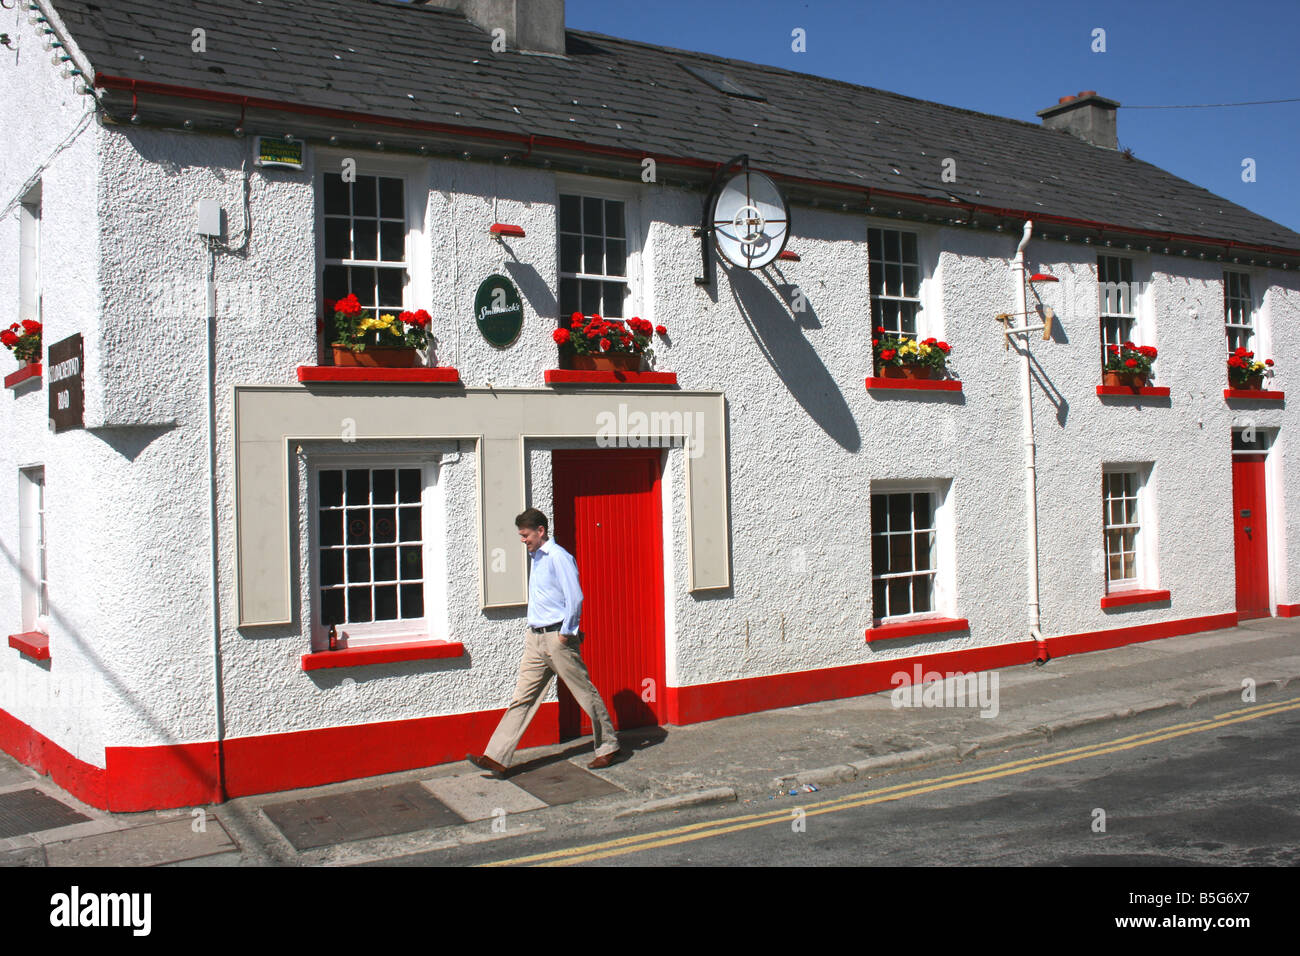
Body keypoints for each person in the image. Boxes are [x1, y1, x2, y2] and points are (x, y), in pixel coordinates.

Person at [467, 507, 622, 776]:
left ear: (541, 531)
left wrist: (566, 632)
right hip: (535, 639)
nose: (522, 539)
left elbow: (575, 597)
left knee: (584, 692)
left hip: (557, 638)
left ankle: (608, 746)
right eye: (520, 535)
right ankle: (496, 756)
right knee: (522, 698)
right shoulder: (536, 557)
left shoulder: (559, 557)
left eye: (525, 534)